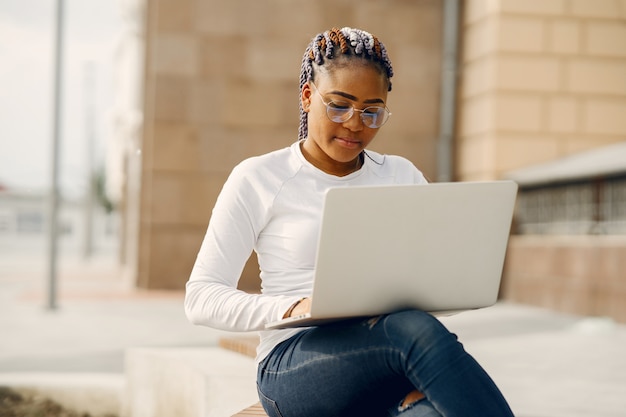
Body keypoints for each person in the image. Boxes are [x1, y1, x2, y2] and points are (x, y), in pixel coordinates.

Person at [185, 27, 514, 417]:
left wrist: (449, 284)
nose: (356, 125)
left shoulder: (400, 175)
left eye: (372, 112)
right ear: (308, 96)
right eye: (339, 106)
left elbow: (437, 285)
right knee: (414, 331)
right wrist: (294, 308)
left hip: (387, 357)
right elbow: (201, 298)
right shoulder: (260, 177)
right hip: (294, 364)